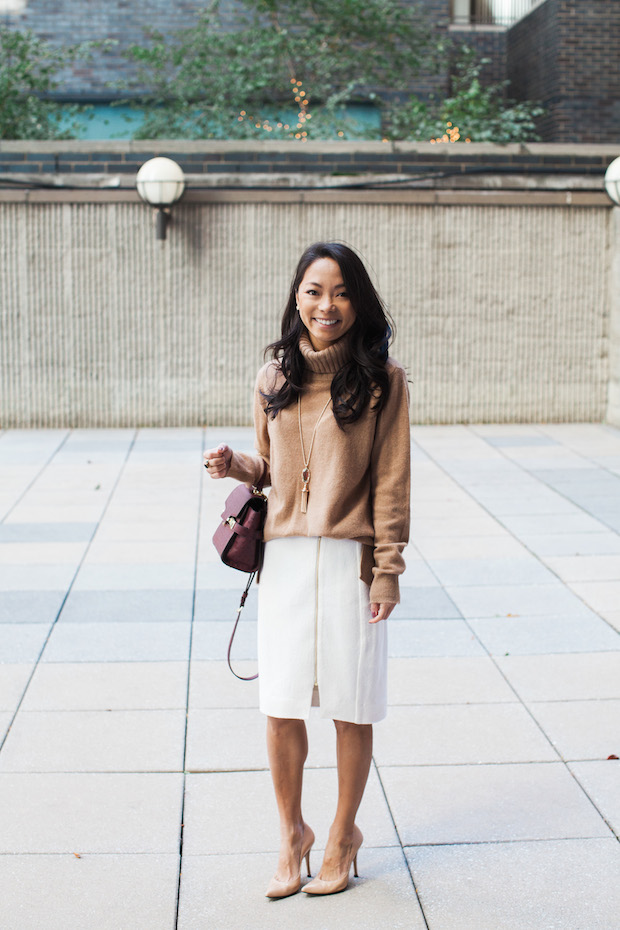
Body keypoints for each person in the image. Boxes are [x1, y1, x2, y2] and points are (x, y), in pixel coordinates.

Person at [203, 241, 410, 898]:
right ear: (297, 296)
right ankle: (293, 833)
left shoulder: (383, 380)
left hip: (351, 563)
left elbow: (391, 482)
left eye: (342, 291)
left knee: (352, 708)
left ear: (359, 302)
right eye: (315, 290)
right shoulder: (273, 378)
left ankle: (344, 833)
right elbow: (272, 472)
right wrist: (237, 465)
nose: (327, 304)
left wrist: (388, 569)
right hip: (286, 562)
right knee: (281, 705)